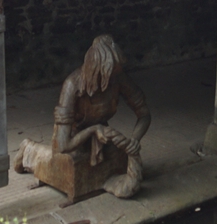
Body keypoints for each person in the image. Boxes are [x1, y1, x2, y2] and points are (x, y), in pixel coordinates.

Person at [14, 34, 151, 198]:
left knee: (115, 158)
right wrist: (94, 129)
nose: (116, 78)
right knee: (73, 164)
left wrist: (134, 140)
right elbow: (63, 146)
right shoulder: (72, 85)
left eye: (117, 74)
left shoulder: (118, 78)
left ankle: (102, 181)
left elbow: (144, 114)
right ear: (98, 71)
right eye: (111, 75)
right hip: (73, 137)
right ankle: (28, 149)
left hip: (100, 136)